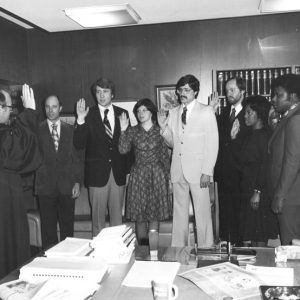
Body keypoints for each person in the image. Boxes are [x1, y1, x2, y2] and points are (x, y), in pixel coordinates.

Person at [158, 74, 219, 247]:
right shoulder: (173, 113)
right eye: (180, 90)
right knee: (179, 214)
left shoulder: (206, 111)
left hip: (199, 172)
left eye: (187, 90)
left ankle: (206, 249)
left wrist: (207, 171)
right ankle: (178, 250)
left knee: (203, 214)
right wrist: (163, 128)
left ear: (196, 91)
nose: (182, 93)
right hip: (178, 170)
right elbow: (172, 143)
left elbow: (213, 143)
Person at [74, 78, 130, 236]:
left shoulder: (122, 113)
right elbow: (79, 144)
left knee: (117, 222)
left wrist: (128, 172)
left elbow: (128, 146)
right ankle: (98, 256)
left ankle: (117, 254)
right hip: (96, 175)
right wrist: (80, 119)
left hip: (118, 174)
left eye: (105, 91)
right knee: (97, 221)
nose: (101, 95)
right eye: (98, 92)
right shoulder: (88, 114)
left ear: (112, 94)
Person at [0, 85, 42, 279]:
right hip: (5, 196)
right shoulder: (3, 134)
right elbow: (17, 152)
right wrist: (29, 113)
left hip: (7, 191)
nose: (10, 113)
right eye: (8, 108)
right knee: (9, 242)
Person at [118, 98, 171, 245]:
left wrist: (168, 179)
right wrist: (123, 130)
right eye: (138, 111)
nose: (140, 113)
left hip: (157, 175)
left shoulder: (159, 129)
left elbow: (164, 156)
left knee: (155, 215)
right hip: (139, 175)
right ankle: (143, 250)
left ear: (151, 111)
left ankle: (153, 250)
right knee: (139, 215)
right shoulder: (133, 131)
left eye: (144, 110)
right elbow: (123, 150)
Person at [35, 95, 83, 249]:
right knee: (48, 230)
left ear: (60, 108)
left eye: (54, 106)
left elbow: (76, 159)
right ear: (44, 108)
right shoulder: (37, 130)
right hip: (45, 187)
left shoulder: (70, 130)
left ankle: (68, 261)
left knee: (67, 229)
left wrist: (77, 182)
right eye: (48, 107)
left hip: (67, 186)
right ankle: (50, 263)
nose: (51, 110)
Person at [210, 76, 251, 245]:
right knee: (225, 212)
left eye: (232, 90)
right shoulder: (224, 113)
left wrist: (234, 139)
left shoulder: (250, 112)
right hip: (223, 171)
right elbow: (215, 138)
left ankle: (238, 246)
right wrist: (211, 113)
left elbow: (250, 143)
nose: (229, 94)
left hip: (241, 172)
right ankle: (227, 244)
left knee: (239, 212)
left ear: (242, 91)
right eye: (227, 91)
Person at [239, 95, 278, 247]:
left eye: (249, 112)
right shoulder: (250, 134)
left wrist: (258, 191)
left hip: (258, 191)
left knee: (259, 233)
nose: (245, 115)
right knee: (251, 234)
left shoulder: (263, 136)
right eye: (245, 112)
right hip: (248, 188)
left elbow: (265, 166)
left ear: (259, 114)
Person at [269, 74, 300, 245]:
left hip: (291, 196)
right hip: (291, 194)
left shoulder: (295, 119)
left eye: (278, 95)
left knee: (291, 248)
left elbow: (292, 161)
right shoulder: (289, 117)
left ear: (293, 96)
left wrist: (280, 195)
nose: (273, 99)